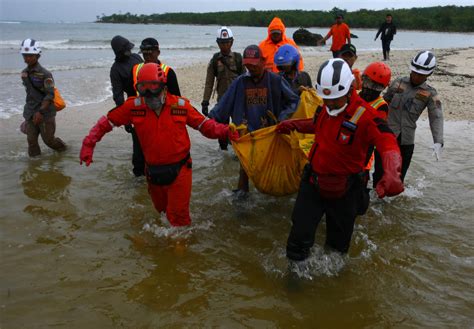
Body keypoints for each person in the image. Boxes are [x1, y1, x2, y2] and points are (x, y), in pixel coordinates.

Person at [80, 63, 239, 226]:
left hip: (180, 170)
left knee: (179, 221)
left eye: (154, 95)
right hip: (152, 172)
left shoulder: (180, 106)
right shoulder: (133, 107)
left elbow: (206, 126)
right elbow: (106, 123)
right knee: (162, 214)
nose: (151, 100)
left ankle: (180, 250)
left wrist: (227, 131)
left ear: (164, 89)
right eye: (146, 95)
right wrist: (88, 144)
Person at [276, 58, 404, 261]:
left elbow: (387, 141)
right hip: (313, 183)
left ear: (350, 88)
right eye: (326, 99)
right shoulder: (324, 107)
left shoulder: (367, 116)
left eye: (335, 99)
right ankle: (293, 283)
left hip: (346, 191)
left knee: (337, 249)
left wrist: (392, 170)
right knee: (298, 239)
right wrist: (293, 125)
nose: (330, 104)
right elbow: (316, 125)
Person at [209, 45, 299, 197]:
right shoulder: (240, 82)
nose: (251, 68)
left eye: (254, 64)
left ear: (263, 61)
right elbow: (223, 106)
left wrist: (283, 117)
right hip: (246, 137)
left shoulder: (276, 81)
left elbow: (294, 101)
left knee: (272, 174)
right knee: (244, 173)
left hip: (269, 135)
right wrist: (207, 121)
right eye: (248, 65)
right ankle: (242, 198)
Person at [373, 51, 444, 187]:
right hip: (386, 137)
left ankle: (392, 205)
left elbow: (437, 116)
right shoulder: (398, 83)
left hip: (406, 142)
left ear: (429, 74)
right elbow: (382, 104)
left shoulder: (430, 94)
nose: (416, 76)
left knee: (398, 180)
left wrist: (438, 141)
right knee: (379, 175)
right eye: (414, 72)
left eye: (421, 75)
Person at [131, 37, 182, 175]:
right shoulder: (136, 70)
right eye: (144, 53)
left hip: (162, 121)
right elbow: (132, 96)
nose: (147, 56)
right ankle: (139, 190)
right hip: (141, 119)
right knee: (138, 158)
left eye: (150, 52)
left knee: (163, 156)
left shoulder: (167, 72)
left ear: (158, 52)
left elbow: (177, 99)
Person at [20, 38, 67, 157]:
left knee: (49, 141)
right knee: (31, 141)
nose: (27, 58)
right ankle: (35, 166)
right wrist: (27, 116)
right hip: (31, 112)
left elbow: (50, 94)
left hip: (45, 113)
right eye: (25, 55)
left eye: (30, 55)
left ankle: (65, 151)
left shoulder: (46, 74)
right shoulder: (24, 74)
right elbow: (29, 94)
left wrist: (40, 112)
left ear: (37, 55)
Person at [201, 27, 245, 150]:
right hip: (222, 101)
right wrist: (205, 102)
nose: (224, 45)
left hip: (238, 101)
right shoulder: (215, 60)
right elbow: (209, 82)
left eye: (227, 42)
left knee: (239, 128)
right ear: (217, 43)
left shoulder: (238, 59)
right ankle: (223, 153)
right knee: (222, 130)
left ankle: (239, 152)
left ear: (232, 42)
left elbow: (246, 80)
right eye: (221, 43)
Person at [109, 35, 144, 176]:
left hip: (150, 101)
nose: (130, 51)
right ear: (119, 51)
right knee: (138, 145)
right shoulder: (115, 69)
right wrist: (125, 119)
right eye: (127, 49)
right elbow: (118, 96)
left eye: (130, 48)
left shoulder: (136, 58)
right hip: (133, 108)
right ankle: (138, 176)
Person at [358, 62, 392, 175]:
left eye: (375, 86)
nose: (369, 88)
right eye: (368, 82)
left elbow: (375, 135)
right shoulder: (355, 97)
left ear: (382, 88)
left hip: (365, 151)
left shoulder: (381, 106)